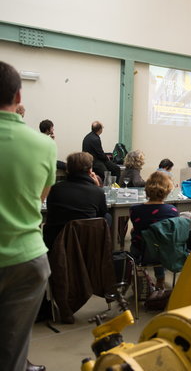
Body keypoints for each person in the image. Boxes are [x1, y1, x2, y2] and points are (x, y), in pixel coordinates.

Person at [0, 61, 54, 371]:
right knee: (12, 351)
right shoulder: (44, 145)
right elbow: (39, 199)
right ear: (19, 96)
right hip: (27, 261)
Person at [43, 152, 108, 250]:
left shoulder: (55, 189)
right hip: (86, 242)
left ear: (67, 169)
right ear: (90, 170)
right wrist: (96, 187)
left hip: (56, 242)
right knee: (108, 217)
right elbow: (102, 214)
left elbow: (50, 210)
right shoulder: (97, 192)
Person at [129, 171, 178, 296]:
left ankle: (140, 277)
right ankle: (160, 279)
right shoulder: (172, 211)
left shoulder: (135, 210)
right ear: (167, 190)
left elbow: (138, 228)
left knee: (143, 238)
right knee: (158, 240)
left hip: (142, 254)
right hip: (165, 254)